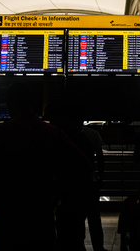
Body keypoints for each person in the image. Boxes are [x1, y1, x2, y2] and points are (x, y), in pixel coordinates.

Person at [0, 82, 93, 251]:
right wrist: (58, 195)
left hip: (7, 219)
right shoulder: (53, 133)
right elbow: (83, 167)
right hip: (41, 219)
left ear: (9, 104)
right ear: (34, 104)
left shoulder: (0, 133)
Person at [45, 99, 107, 251]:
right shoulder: (89, 136)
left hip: (66, 189)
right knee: (92, 218)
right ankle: (98, 246)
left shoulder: (58, 135)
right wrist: (100, 179)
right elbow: (98, 160)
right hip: (87, 186)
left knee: (66, 225)